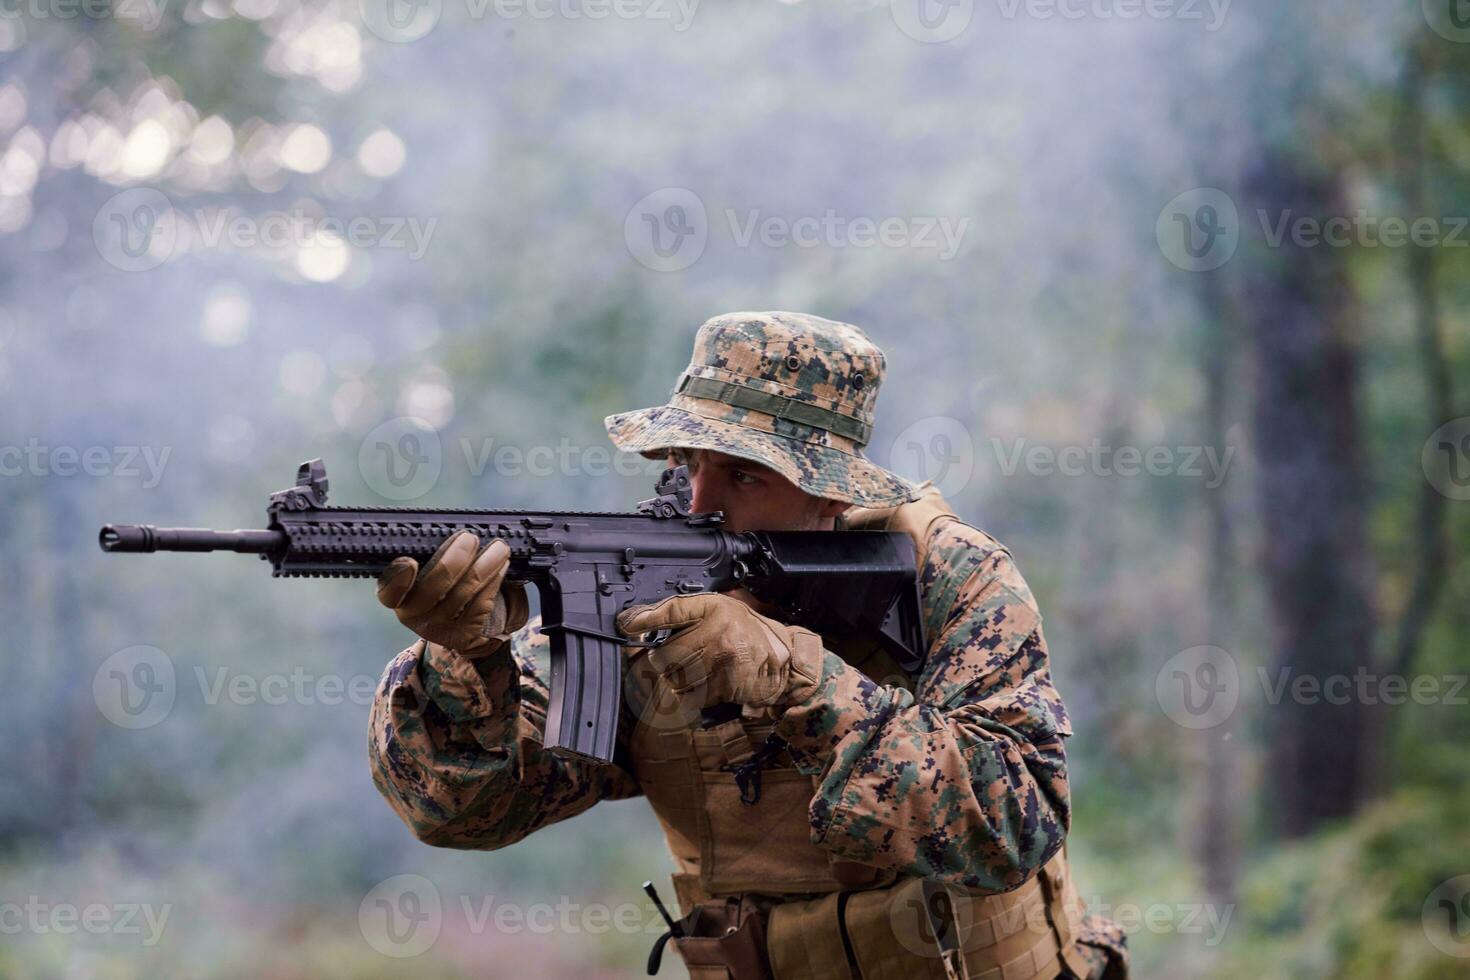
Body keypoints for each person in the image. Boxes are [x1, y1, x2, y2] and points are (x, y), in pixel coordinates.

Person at [368, 311, 1128, 979]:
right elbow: (467, 812)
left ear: (831, 492)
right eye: (688, 464)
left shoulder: (946, 575)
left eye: (742, 475)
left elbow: (1015, 821)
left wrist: (800, 680)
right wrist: (467, 663)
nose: (701, 504)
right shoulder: (640, 589)